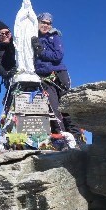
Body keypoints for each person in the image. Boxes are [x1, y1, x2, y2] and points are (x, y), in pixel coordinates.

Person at [31, 12, 84, 145]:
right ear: (37, 23)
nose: (45, 25)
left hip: (59, 74)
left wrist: (41, 51)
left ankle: (76, 137)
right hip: (44, 77)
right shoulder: (33, 37)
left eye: (48, 23)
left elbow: (58, 55)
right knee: (53, 109)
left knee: (67, 106)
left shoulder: (54, 37)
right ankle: (61, 139)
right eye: (43, 22)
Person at [0, 20, 18, 108]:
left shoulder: (17, 44)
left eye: (6, 32)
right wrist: (7, 74)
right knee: (11, 99)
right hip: (10, 78)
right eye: (1, 34)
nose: (4, 35)